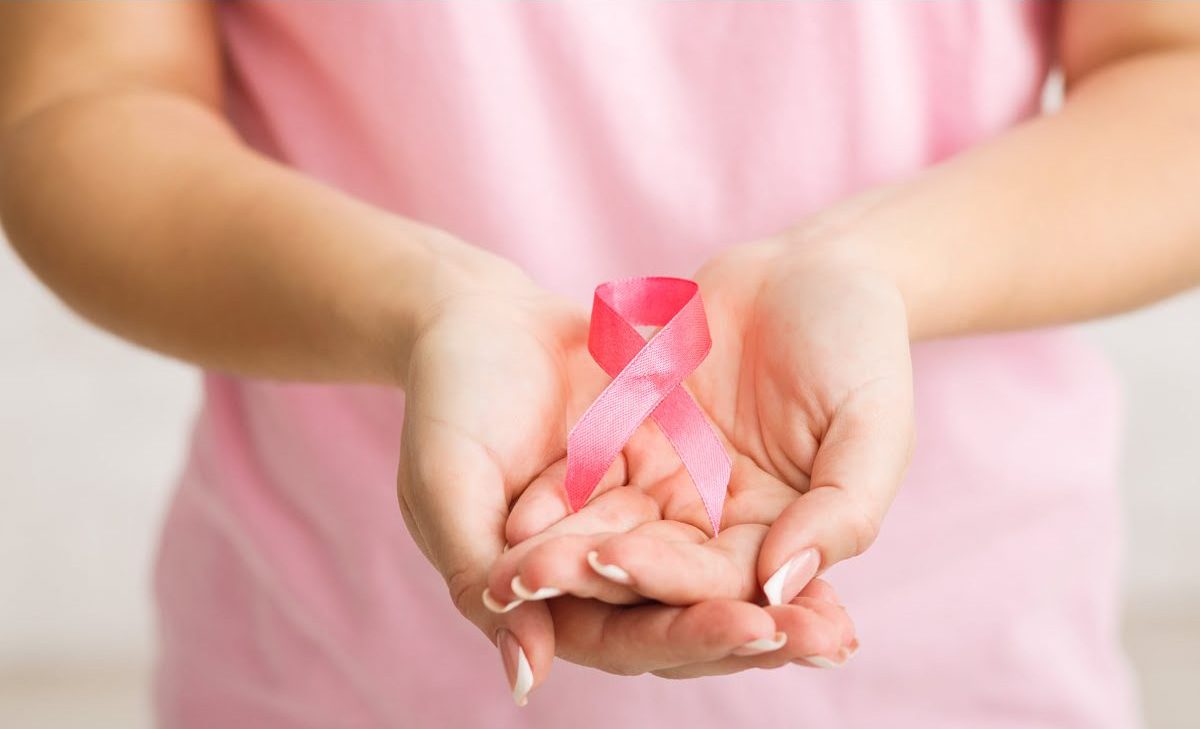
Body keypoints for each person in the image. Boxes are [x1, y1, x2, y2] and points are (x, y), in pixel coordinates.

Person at [2, 2, 1198, 727]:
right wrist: (425, 305)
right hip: (336, 662)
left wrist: (875, 268)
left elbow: (1174, 66)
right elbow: (81, 104)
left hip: (958, 656)